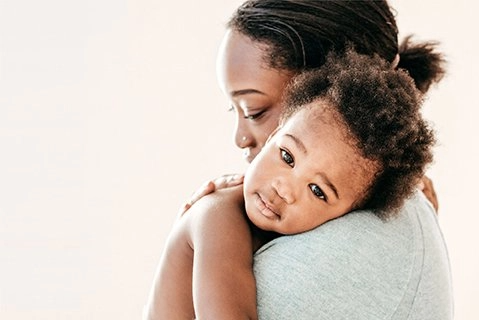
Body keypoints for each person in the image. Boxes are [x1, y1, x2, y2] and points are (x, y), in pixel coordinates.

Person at [151, 0, 453, 319]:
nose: (240, 138)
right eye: (287, 156)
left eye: (254, 111)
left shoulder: (380, 209)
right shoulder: (221, 214)